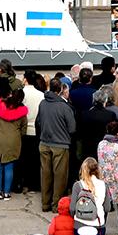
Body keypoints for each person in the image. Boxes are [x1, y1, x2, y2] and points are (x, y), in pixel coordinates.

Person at [36, 78, 76, 213]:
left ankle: (45, 203)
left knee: (45, 174)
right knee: (60, 176)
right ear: (60, 90)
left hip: (44, 142)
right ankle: (56, 205)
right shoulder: (64, 107)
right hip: (60, 144)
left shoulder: (42, 103)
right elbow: (72, 128)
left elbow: (39, 121)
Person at [0, 88, 28, 200]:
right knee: (9, 166)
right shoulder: (22, 112)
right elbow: (23, 129)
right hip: (13, 140)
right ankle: (7, 193)